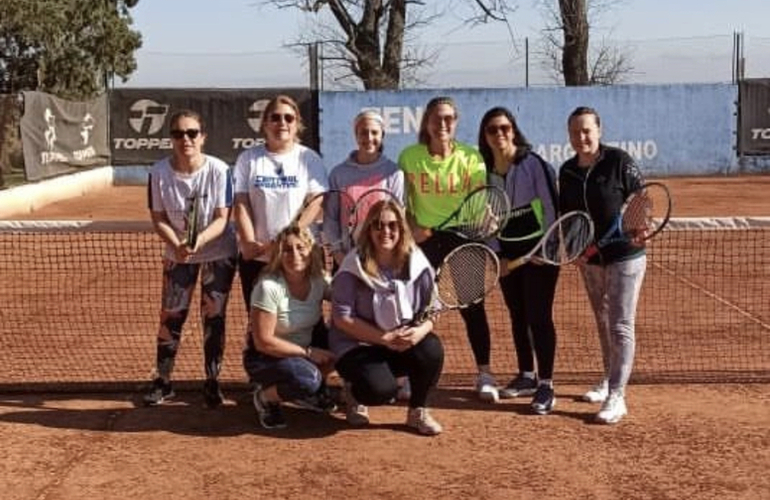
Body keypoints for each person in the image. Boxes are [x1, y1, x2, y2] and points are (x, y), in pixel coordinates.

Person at [398, 96, 498, 402]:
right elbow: (402, 201)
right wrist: (412, 227)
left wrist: (486, 219)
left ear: (455, 122)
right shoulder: (410, 157)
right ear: (426, 123)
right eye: (437, 118)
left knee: (473, 307)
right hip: (425, 242)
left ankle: (484, 373)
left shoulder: (472, 158)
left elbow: (480, 199)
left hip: (464, 239)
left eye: (449, 119)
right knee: (414, 308)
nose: (443, 124)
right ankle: (407, 377)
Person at [144, 109, 237, 408]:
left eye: (192, 133)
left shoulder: (220, 171)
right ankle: (163, 380)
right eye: (178, 133)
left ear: (203, 137)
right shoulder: (158, 173)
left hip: (218, 254)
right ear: (171, 138)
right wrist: (178, 245)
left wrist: (198, 241)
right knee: (171, 316)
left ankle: (212, 381)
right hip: (177, 256)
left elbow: (223, 218)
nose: (185, 139)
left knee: (214, 317)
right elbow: (158, 219)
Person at [559, 106, 646, 424]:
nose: (581, 137)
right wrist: (575, 250)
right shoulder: (567, 170)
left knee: (621, 324)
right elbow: (567, 216)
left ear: (598, 130)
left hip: (625, 256)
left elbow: (640, 199)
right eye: (575, 132)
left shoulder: (618, 161)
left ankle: (617, 396)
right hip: (590, 259)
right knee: (603, 321)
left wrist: (639, 225)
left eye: (586, 131)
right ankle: (609, 379)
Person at [330, 200, 444, 435]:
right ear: (369, 230)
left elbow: (433, 308)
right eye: (378, 226)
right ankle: (354, 392)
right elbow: (342, 319)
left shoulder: (417, 262)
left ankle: (417, 412)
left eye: (393, 225)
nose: (386, 232)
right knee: (380, 391)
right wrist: (383, 337)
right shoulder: (353, 266)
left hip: (398, 341)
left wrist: (419, 332)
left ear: (401, 229)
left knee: (431, 349)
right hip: (357, 345)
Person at [478, 106, 560, 415]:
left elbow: (551, 207)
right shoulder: (485, 171)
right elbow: (488, 218)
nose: (499, 134)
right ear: (484, 137)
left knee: (539, 318)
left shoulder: (533, 164)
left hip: (539, 255)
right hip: (508, 255)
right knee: (518, 315)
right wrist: (496, 254)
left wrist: (547, 249)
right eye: (492, 130)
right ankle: (527, 375)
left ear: (514, 130)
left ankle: (547, 385)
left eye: (504, 128)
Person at [233, 94, 328, 311]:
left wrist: (288, 239)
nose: (282, 123)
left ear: (297, 124)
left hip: (300, 255)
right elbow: (241, 202)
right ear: (265, 123)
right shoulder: (248, 159)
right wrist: (249, 243)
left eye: (289, 118)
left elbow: (316, 201)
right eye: (275, 117)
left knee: (305, 320)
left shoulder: (309, 158)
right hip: (259, 258)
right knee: (262, 324)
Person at [243, 224, 336, 429]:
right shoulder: (268, 287)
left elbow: (346, 297)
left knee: (344, 345)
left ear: (310, 250)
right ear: (278, 254)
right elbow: (263, 342)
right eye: (286, 249)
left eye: (300, 247)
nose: (294, 254)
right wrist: (308, 353)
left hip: (302, 355)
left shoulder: (319, 280)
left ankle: (305, 392)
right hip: (266, 358)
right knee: (307, 380)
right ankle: (266, 397)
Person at [325, 110, 404, 267]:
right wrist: (339, 255)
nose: (369, 138)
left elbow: (398, 219)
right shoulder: (338, 174)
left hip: (383, 261)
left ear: (382, 135)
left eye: (374, 132)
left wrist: (387, 256)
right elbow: (331, 218)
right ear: (356, 135)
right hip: (347, 260)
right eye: (363, 133)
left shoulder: (393, 173)